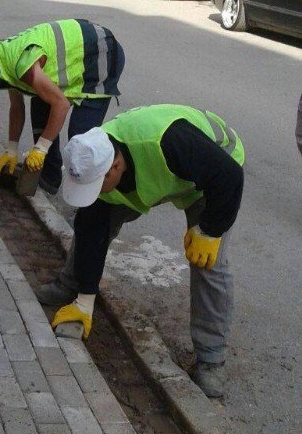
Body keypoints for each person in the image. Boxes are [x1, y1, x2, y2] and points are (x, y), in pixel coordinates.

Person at [39, 104, 244, 399]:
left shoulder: (170, 142)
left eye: (99, 185)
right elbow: (91, 230)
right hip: (167, 172)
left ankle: (211, 360)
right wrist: (85, 299)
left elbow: (230, 177)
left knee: (209, 263)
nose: (95, 192)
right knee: (93, 222)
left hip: (217, 170)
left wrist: (210, 231)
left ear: (115, 167)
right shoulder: (95, 154)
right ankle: (71, 285)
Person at [0, 19, 125, 194]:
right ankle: (50, 177)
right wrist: (11, 150)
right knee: (39, 106)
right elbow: (17, 108)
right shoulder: (1, 61)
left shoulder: (22, 65)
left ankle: (98, 191)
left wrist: (40, 148)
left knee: (81, 139)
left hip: (100, 53)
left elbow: (60, 104)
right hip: (80, 55)